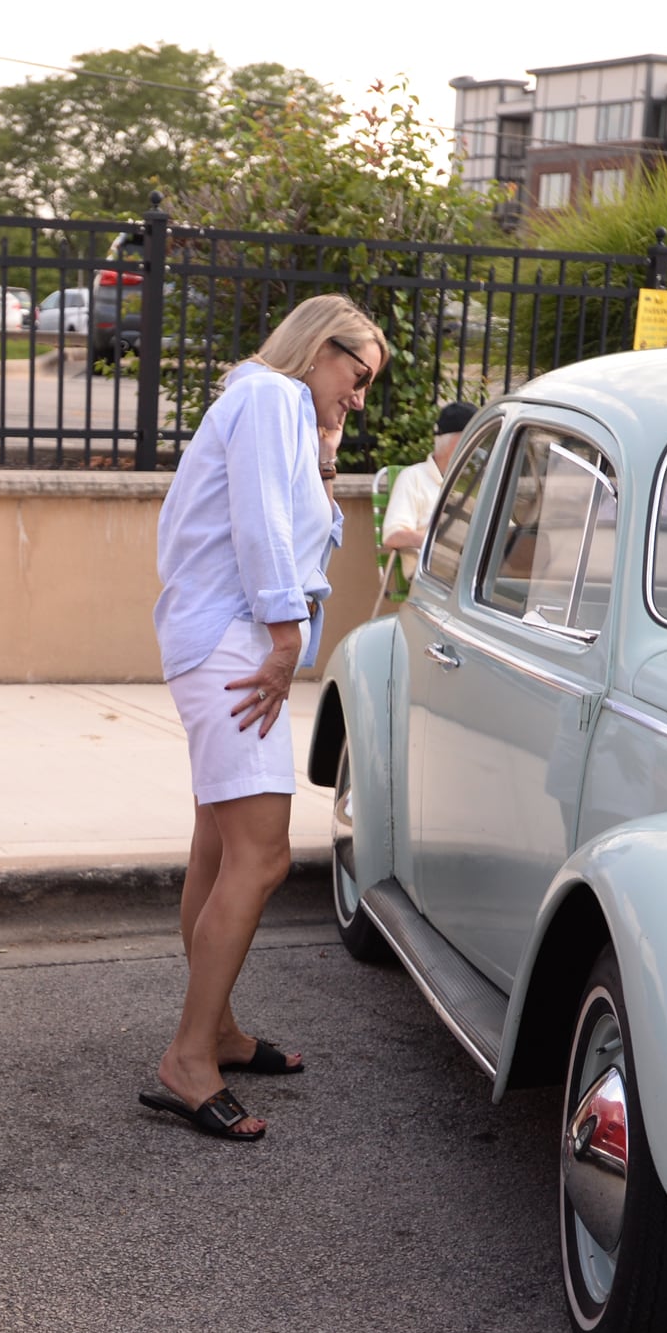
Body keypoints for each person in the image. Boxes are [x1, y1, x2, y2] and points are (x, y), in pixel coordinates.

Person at [141, 294, 389, 1141]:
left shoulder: (274, 407)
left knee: (217, 848)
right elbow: (260, 530)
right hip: (238, 646)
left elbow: (292, 524)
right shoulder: (269, 396)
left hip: (226, 642)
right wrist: (285, 640)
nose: (359, 397)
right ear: (320, 347)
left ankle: (217, 1033)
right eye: (357, 377)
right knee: (264, 855)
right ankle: (187, 1060)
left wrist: (325, 451)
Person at [375, 401, 479, 601]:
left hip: (470, 575)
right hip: (431, 575)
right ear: (458, 443)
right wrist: (443, 541)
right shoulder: (413, 478)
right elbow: (393, 536)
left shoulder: (472, 481)